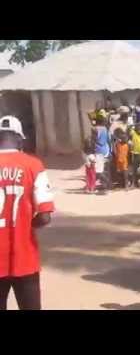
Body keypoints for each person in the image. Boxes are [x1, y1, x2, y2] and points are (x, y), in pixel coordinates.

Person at [0, 116, 54, 310]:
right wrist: (26, 224)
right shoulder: (34, 165)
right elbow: (45, 216)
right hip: (25, 257)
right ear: (19, 139)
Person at [93, 115, 111, 191]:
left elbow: (93, 140)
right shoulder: (105, 129)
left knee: (99, 170)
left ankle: (107, 184)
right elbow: (108, 140)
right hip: (106, 150)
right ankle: (105, 185)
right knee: (105, 169)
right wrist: (110, 151)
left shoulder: (95, 129)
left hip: (99, 150)